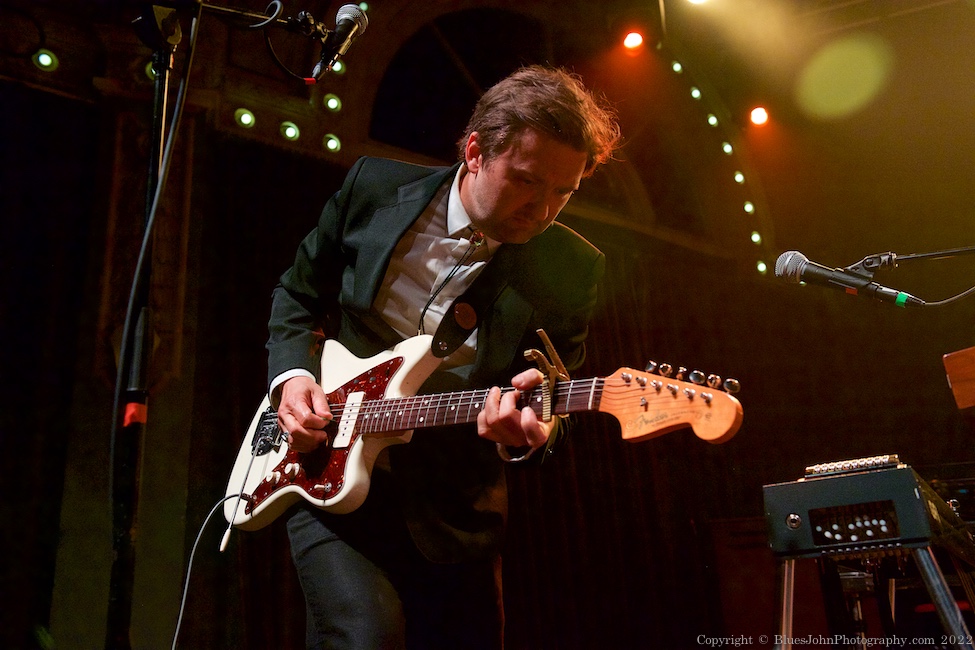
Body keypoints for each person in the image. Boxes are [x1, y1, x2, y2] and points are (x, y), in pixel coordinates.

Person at [266, 64, 621, 649]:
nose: (544, 210)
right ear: (476, 150)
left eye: (565, 192)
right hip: (325, 468)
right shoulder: (373, 187)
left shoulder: (571, 269)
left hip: (452, 510)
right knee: (363, 639)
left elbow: (550, 396)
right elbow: (298, 293)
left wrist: (525, 432)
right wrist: (292, 378)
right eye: (529, 180)